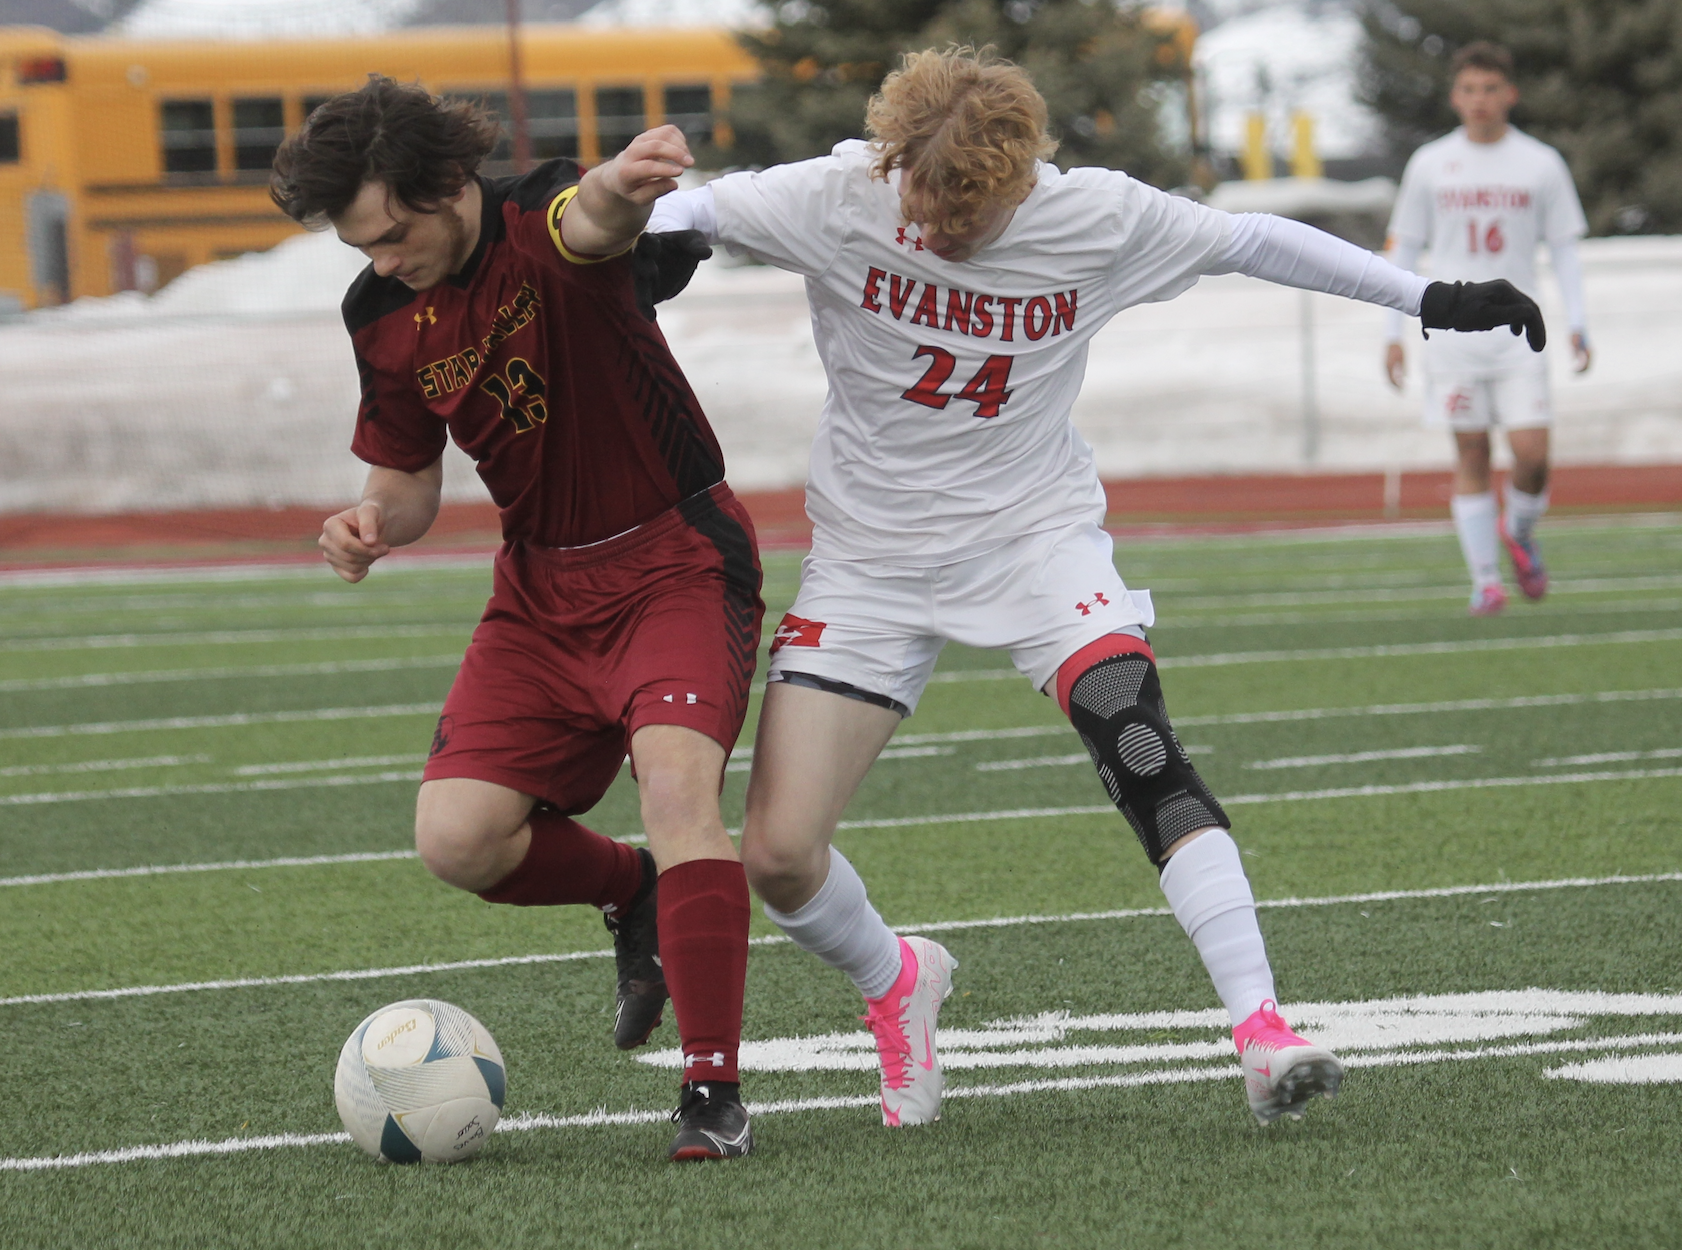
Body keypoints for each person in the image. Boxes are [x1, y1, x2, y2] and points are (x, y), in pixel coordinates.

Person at [649, 46, 1543, 1128]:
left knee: (1137, 737)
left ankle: (1261, 1026)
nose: (941, 232)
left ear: (1021, 179)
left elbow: (1253, 239)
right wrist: (642, 238)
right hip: (869, 562)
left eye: (968, 215)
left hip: (1036, 540)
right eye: (926, 206)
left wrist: (1429, 295)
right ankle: (897, 977)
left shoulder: (1095, 216)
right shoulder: (837, 194)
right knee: (780, 856)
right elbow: (686, 208)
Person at [270, 77, 763, 1160]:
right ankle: (631, 890)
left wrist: (623, 183)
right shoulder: (379, 312)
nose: (382, 259)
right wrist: (370, 522)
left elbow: (594, 220)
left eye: (393, 234)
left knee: (678, 789)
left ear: (450, 185)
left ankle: (711, 1089)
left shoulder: (539, 213)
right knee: (457, 839)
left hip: (674, 559)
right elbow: (405, 477)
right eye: (361, 245)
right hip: (538, 591)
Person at [1383, 40, 1591, 616]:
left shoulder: (1541, 163)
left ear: (1511, 94)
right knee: (1471, 450)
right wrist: (1391, 333)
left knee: (1532, 455)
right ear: (1455, 96)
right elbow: (1405, 249)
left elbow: (1564, 247)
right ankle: (1485, 581)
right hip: (1453, 335)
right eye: (1469, 89)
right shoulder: (1429, 164)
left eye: (1491, 88)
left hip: (1520, 332)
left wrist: (1578, 321)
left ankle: (1518, 531)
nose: (1480, 99)